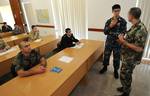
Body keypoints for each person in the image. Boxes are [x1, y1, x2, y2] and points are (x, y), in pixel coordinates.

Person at [116, 7, 148, 96]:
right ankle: (124, 87)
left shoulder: (141, 29)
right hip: (127, 56)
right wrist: (123, 38)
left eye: (128, 14)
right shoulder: (135, 26)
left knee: (126, 74)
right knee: (124, 73)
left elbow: (139, 48)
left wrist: (123, 41)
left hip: (132, 58)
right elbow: (132, 39)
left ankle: (126, 93)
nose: (127, 16)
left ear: (132, 15)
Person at [99, 4, 127, 79]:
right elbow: (105, 32)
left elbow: (124, 31)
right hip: (109, 42)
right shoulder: (109, 21)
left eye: (118, 11)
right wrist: (111, 25)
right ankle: (105, 67)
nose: (117, 12)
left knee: (117, 57)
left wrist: (121, 36)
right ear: (112, 11)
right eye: (115, 11)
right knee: (106, 55)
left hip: (118, 43)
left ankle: (115, 70)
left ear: (120, 11)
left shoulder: (123, 21)